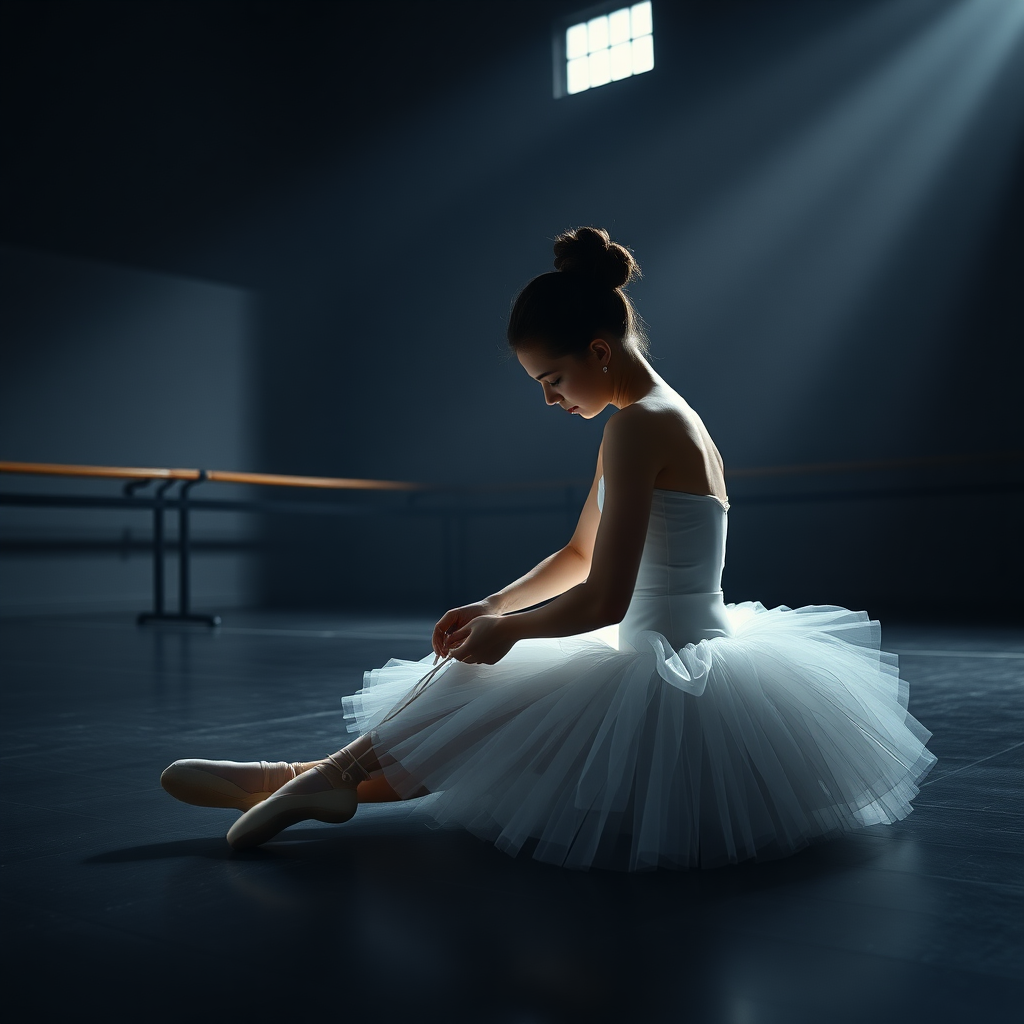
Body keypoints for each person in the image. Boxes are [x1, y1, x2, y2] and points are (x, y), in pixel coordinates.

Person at [161, 226, 936, 871]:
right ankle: (300, 780)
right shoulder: (649, 417)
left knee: (477, 697)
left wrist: (508, 632)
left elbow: (604, 596)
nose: (549, 398)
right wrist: (494, 605)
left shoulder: (642, 426)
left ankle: (300, 780)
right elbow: (577, 552)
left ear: (600, 351)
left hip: (673, 673)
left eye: (553, 377)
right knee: (477, 699)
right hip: (655, 648)